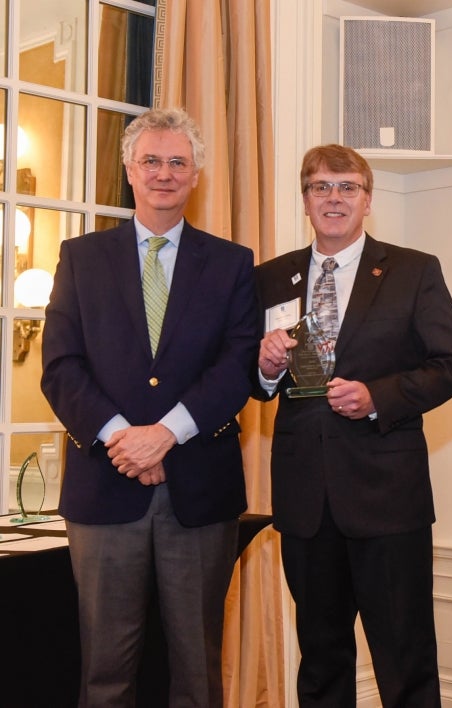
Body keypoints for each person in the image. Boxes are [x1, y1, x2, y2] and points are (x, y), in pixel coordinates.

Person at [41, 108, 259, 707]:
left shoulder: (233, 263)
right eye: (152, 161)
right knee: (105, 672)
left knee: (197, 670)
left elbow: (237, 364)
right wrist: (124, 439)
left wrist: (164, 434)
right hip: (103, 491)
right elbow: (60, 366)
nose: (165, 173)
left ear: (196, 175)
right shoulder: (80, 257)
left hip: (199, 492)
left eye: (178, 162)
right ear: (129, 170)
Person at [253, 144, 452, 708]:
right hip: (305, 501)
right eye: (321, 187)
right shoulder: (271, 277)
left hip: (387, 499)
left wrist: (378, 396)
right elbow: (251, 383)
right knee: (321, 662)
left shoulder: (413, 270)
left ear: (367, 200)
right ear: (304, 199)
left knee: (404, 661)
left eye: (347, 187)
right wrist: (265, 367)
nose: (334, 198)